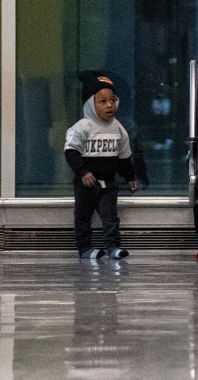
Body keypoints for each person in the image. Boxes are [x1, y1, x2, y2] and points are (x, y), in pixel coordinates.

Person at [64, 70, 138, 260]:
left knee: (111, 218)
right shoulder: (81, 127)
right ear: (90, 104)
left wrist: (130, 177)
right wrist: (83, 172)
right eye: (102, 101)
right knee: (82, 217)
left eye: (112, 100)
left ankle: (113, 246)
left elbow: (123, 156)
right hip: (86, 184)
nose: (109, 105)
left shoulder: (118, 128)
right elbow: (71, 152)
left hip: (109, 184)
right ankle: (85, 248)